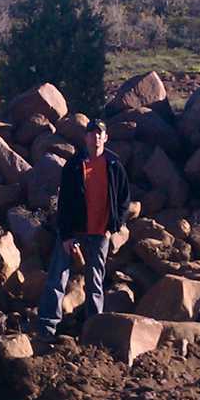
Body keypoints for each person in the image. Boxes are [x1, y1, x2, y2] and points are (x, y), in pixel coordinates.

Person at [37, 118, 130, 339]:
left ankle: (94, 331)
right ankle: (47, 328)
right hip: (74, 232)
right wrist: (66, 235)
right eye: (92, 133)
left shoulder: (114, 165)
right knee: (57, 278)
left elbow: (124, 199)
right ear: (85, 137)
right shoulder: (74, 165)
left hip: (100, 233)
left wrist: (114, 226)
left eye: (100, 133)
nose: (96, 137)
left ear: (106, 138)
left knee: (95, 283)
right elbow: (64, 203)